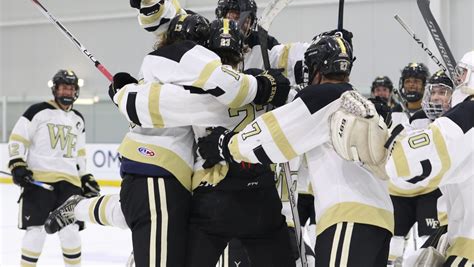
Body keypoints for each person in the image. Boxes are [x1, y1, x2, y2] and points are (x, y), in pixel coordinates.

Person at [46, 15, 291, 267]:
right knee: (150, 218)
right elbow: (207, 99)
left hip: (172, 177)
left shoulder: (166, 77)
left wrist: (126, 91)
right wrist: (270, 84)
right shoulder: (191, 82)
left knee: (133, 212)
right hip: (165, 171)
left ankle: (78, 208)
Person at [197, 33, 394, 266]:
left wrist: (226, 144)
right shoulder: (356, 99)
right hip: (381, 218)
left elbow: (272, 136)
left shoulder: (321, 97)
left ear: (317, 70)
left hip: (347, 216)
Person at [384, 50, 474, 266]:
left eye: (461, 75)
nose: (457, 82)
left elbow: (406, 164)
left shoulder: (468, 115)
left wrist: (382, 140)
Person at [7, 69, 100, 267]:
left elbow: (80, 154)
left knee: (70, 231)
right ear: (55, 89)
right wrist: (17, 164)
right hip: (39, 182)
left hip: (70, 184)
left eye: (71, 88)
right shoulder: (37, 111)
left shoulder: (78, 119)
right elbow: (18, 139)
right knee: (35, 231)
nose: (67, 92)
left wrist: (85, 177)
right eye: (63, 88)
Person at [387, 70, 454, 266]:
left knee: (428, 241)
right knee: (393, 239)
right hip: (402, 190)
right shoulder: (417, 118)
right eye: (433, 92)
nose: (436, 97)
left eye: (442, 92)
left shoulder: (457, 119)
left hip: (432, 191)